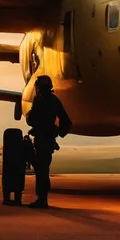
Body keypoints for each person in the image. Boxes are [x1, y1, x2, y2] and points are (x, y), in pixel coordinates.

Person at [26, 75, 72, 209]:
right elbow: (66, 121)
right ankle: (42, 197)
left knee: (41, 169)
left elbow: (32, 119)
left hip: (42, 139)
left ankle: (42, 199)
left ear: (38, 88)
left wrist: (30, 118)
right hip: (47, 139)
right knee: (43, 168)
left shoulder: (38, 100)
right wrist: (58, 133)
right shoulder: (54, 100)